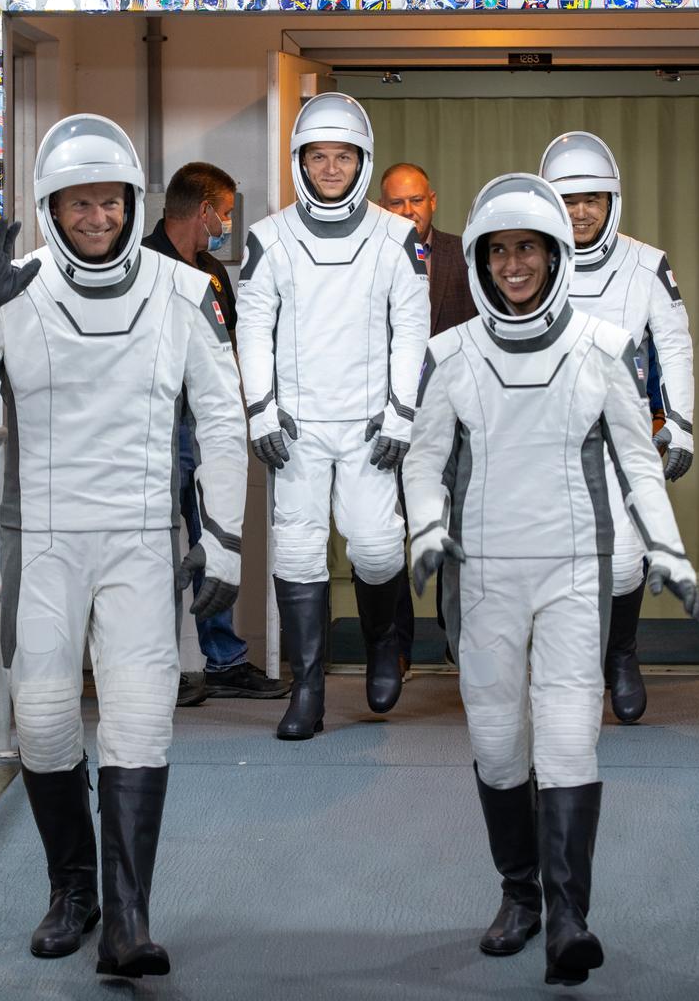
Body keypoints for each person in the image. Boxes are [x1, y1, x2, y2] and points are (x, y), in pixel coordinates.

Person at [0, 115, 247, 979]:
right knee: (46, 721)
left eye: (109, 201)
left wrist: (223, 542)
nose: (95, 217)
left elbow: (221, 417)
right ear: (50, 207)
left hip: (143, 540)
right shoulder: (14, 287)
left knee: (140, 724)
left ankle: (128, 921)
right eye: (77, 203)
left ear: (131, 201)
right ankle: (75, 890)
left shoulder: (184, 293)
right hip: (47, 542)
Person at [403, 173, 699, 986]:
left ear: (553, 255)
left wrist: (666, 549)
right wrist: (426, 527)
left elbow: (639, 468)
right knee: (499, 746)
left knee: (569, 739)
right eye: (496, 251)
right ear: (480, 262)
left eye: (525, 248)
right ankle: (520, 896)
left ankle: (570, 919)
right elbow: (424, 461)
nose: (511, 265)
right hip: (483, 584)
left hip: (573, 573)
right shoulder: (451, 356)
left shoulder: (601, 350)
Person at [236, 93, 429, 739]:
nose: (328, 168)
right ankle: (308, 690)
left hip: (371, 423)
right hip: (296, 426)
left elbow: (411, 330)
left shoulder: (396, 237)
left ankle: (381, 643)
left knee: (375, 549)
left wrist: (401, 414)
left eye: (340, 156)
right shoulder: (268, 239)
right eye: (317, 157)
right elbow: (252, 328)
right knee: (296, 551)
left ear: (360, 161)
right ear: (299, 162)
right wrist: (260, 410)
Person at [540, 132, 694, 723]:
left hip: (622, 435)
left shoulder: (646, 264)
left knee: (626, 562)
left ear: (612, 201)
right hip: (544, 437)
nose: (581, 211)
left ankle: (621, 656)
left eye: (593, 198)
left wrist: (679, 424)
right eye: (569, 198)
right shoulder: (527, 256)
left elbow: (674, 346)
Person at [143, 163, 290, 703]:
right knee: (154, 545)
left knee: (217, 537)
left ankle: (224, 661)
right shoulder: (140, 266)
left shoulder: (212, 275)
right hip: (153, 426)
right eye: (224, 213)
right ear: (202, 210)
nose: (227, 223)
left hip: (205, 426)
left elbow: (226, 354)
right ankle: (157, 667)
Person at [378, 162, 477, 674]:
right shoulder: (367, 259)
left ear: (433, 200)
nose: (407, 210)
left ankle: (454, 632)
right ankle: (396, 646)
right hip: (388, 423)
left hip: (456, 424)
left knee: (453, 528)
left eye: (415, 200)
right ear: (381, 205)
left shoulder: (465, 255)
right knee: (389, 533)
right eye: (396, 202)